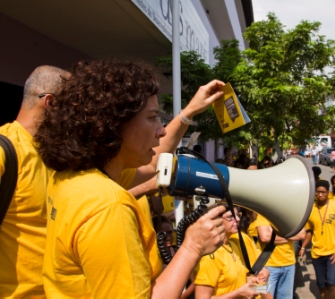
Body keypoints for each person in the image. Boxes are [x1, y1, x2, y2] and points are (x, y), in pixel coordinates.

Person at [35, 60, 227, 298]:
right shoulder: (108, 206)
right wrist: (192, 246)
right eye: (152, 117)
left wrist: (188, 113)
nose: (161, 130)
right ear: (114, 123)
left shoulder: (75, 177)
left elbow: (156, 162)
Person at [0, 65, 70, 298]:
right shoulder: (5, 150)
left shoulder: (55, 155)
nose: (77, 115)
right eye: (71, 106)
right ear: (49, 103)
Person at [299, 180, 335, 299]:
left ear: (328, 192)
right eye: (318, 192)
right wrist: (303, 247)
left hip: (334, 253)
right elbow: (309, 231)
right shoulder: (311, 209)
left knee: (332, 283)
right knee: (321, 284)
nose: (320, 194)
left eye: (323, 192)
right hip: (317, 253)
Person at [194, 209, 261, 298]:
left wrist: (251, 280)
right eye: (230, 217)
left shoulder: (233, 245)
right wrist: (239, 293)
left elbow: (234, 279)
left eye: (238, 215)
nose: (237, 219)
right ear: (215, 222)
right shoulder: (210, 255)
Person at [251, 213, 305, 298]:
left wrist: (274, 236)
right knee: (263, 296)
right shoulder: (263, 215)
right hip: (267, 265)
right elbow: (265, 237)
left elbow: (302, 234)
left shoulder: (292, 216)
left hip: (289, 264)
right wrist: (291, 235)